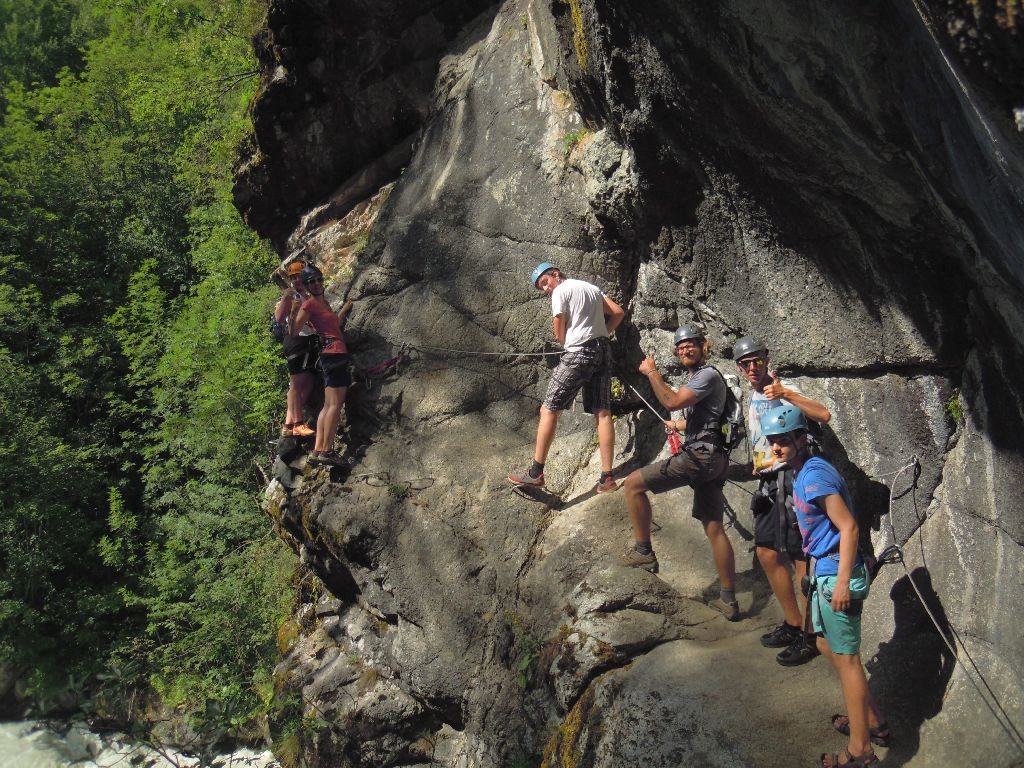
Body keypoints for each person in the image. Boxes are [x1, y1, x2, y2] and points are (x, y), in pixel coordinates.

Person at [760, 405, 887, 768]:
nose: (777, 448)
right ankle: (872, 719)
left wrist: (844, 582)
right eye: (773, 442)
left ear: (802, 438)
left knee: (848, 662)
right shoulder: (803, 471)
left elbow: (849, 528)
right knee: (820, 642)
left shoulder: (815, 477)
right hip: (825, 570)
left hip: (836, 572)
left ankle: (861, 752)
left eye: (784, 441)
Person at [619, 325, 739, 621]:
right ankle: (728, 600)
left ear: (703, 346)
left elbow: (672, 402)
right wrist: (680, 426)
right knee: (714, 527)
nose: (686, 349)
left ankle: (644, 551)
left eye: (692, 344)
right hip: (713, 456)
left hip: (700, 457)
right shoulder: (701, 378)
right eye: (682, 346)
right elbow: (708, 419)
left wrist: (651, 373)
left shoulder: (707, 375)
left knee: (633, 485)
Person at [733, 335, 832, 665]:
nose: (751, 367)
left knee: (798, 556)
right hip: (768, 479)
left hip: (791, 478)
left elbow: (824, 414)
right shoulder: (753, 394)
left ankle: (811, 633)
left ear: (767, 358)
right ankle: (793, 623)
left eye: (756, 360)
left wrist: (786, 393)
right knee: (766, 552)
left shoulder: (781, 386)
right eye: (744, 363)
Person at [507, 263, 625, 494]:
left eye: (545, 282)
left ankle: (536, 473)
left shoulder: (561, 290)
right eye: (541, 287)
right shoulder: (591, 288)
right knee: (602, 411)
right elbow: (618, 312)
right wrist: (603, 332)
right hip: (602, 351)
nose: (545, 289)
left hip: (578, 353)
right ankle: (607, 478)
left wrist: (565, 341)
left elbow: (558, 327)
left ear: (555, 274)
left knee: (549, 408)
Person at [290, 264, 353, 467]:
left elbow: (333, 324)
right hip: (332, 355)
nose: (317, 284)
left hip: (334, 353)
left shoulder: (323, 302)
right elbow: (294, 330)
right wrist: (292, 313)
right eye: (311, 282)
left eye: (318, 280)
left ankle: (319, 450)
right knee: (335, 404)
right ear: (307, 286)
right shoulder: (309, 304)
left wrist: (344, 309)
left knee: (328, 405)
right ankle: (326, 450)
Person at [274, 260, 318, 438]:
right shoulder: (290, 294)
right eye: (292, 277)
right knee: (296, 383)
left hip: (306, 341)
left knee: (307, 380)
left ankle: (289, 424)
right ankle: (297, 423)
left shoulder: (306, 295)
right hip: (295, 341)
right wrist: (287, 299)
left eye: (298, 276)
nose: (296, 279)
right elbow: (278, 317)